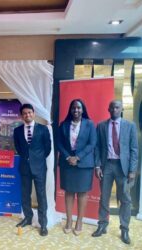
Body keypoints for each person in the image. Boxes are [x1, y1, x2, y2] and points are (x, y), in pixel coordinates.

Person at [92, 100, 138, 244]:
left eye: (117, 107)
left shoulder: (130, 126)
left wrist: (132, 170)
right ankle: (102, 225)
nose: (114, 109)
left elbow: (134, 149)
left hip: (123, 167)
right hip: (107, 166)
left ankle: (124, 229)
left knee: (125, 198)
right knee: (104, 196)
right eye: (112, 107)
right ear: (108, 109)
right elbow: (97, 147)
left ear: (122, 109)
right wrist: (98, 166)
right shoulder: (101, 126)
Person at [57, 99, 96, 235]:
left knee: (82, 192)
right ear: (70, 109)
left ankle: (79, 221)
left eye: (79, 108)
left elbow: (92, 144)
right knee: (69, 192)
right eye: (73, 108)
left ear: (83, 109)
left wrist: (77, 157)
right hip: (67, 164)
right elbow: (59, 143)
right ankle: (69, 220)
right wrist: (69, 157)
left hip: (84, 164)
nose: (76, 110)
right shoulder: (63, 124)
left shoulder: (90, 124)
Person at [13, 103, 51, 236]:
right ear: (21, 116)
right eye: (24, 113)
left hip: (39, 167)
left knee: (41, 195)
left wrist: (37, 159)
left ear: (34, 113)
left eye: (29, 112)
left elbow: (48, 148)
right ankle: (28, 218)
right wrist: (27, 158)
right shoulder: (17, 131)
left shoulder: (43, 129)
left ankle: (43, 224)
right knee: (25, 194)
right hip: (24, 167)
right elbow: (18, 148)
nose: (27, 115)